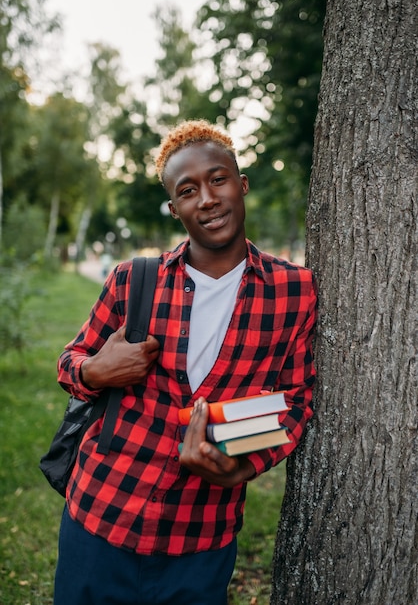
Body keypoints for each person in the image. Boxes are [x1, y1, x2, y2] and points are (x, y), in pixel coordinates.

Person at [54, 119, 318, 605]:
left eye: (218, 179)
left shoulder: (293, 291)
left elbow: (296, 401)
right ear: (175, 209)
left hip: (200, 536)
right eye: (188, 190)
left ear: (241, 184)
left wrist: (246, 466)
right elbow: (70, 360)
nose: (208, 199)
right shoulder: (134, 279)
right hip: (99, 517)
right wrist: (95, 371)